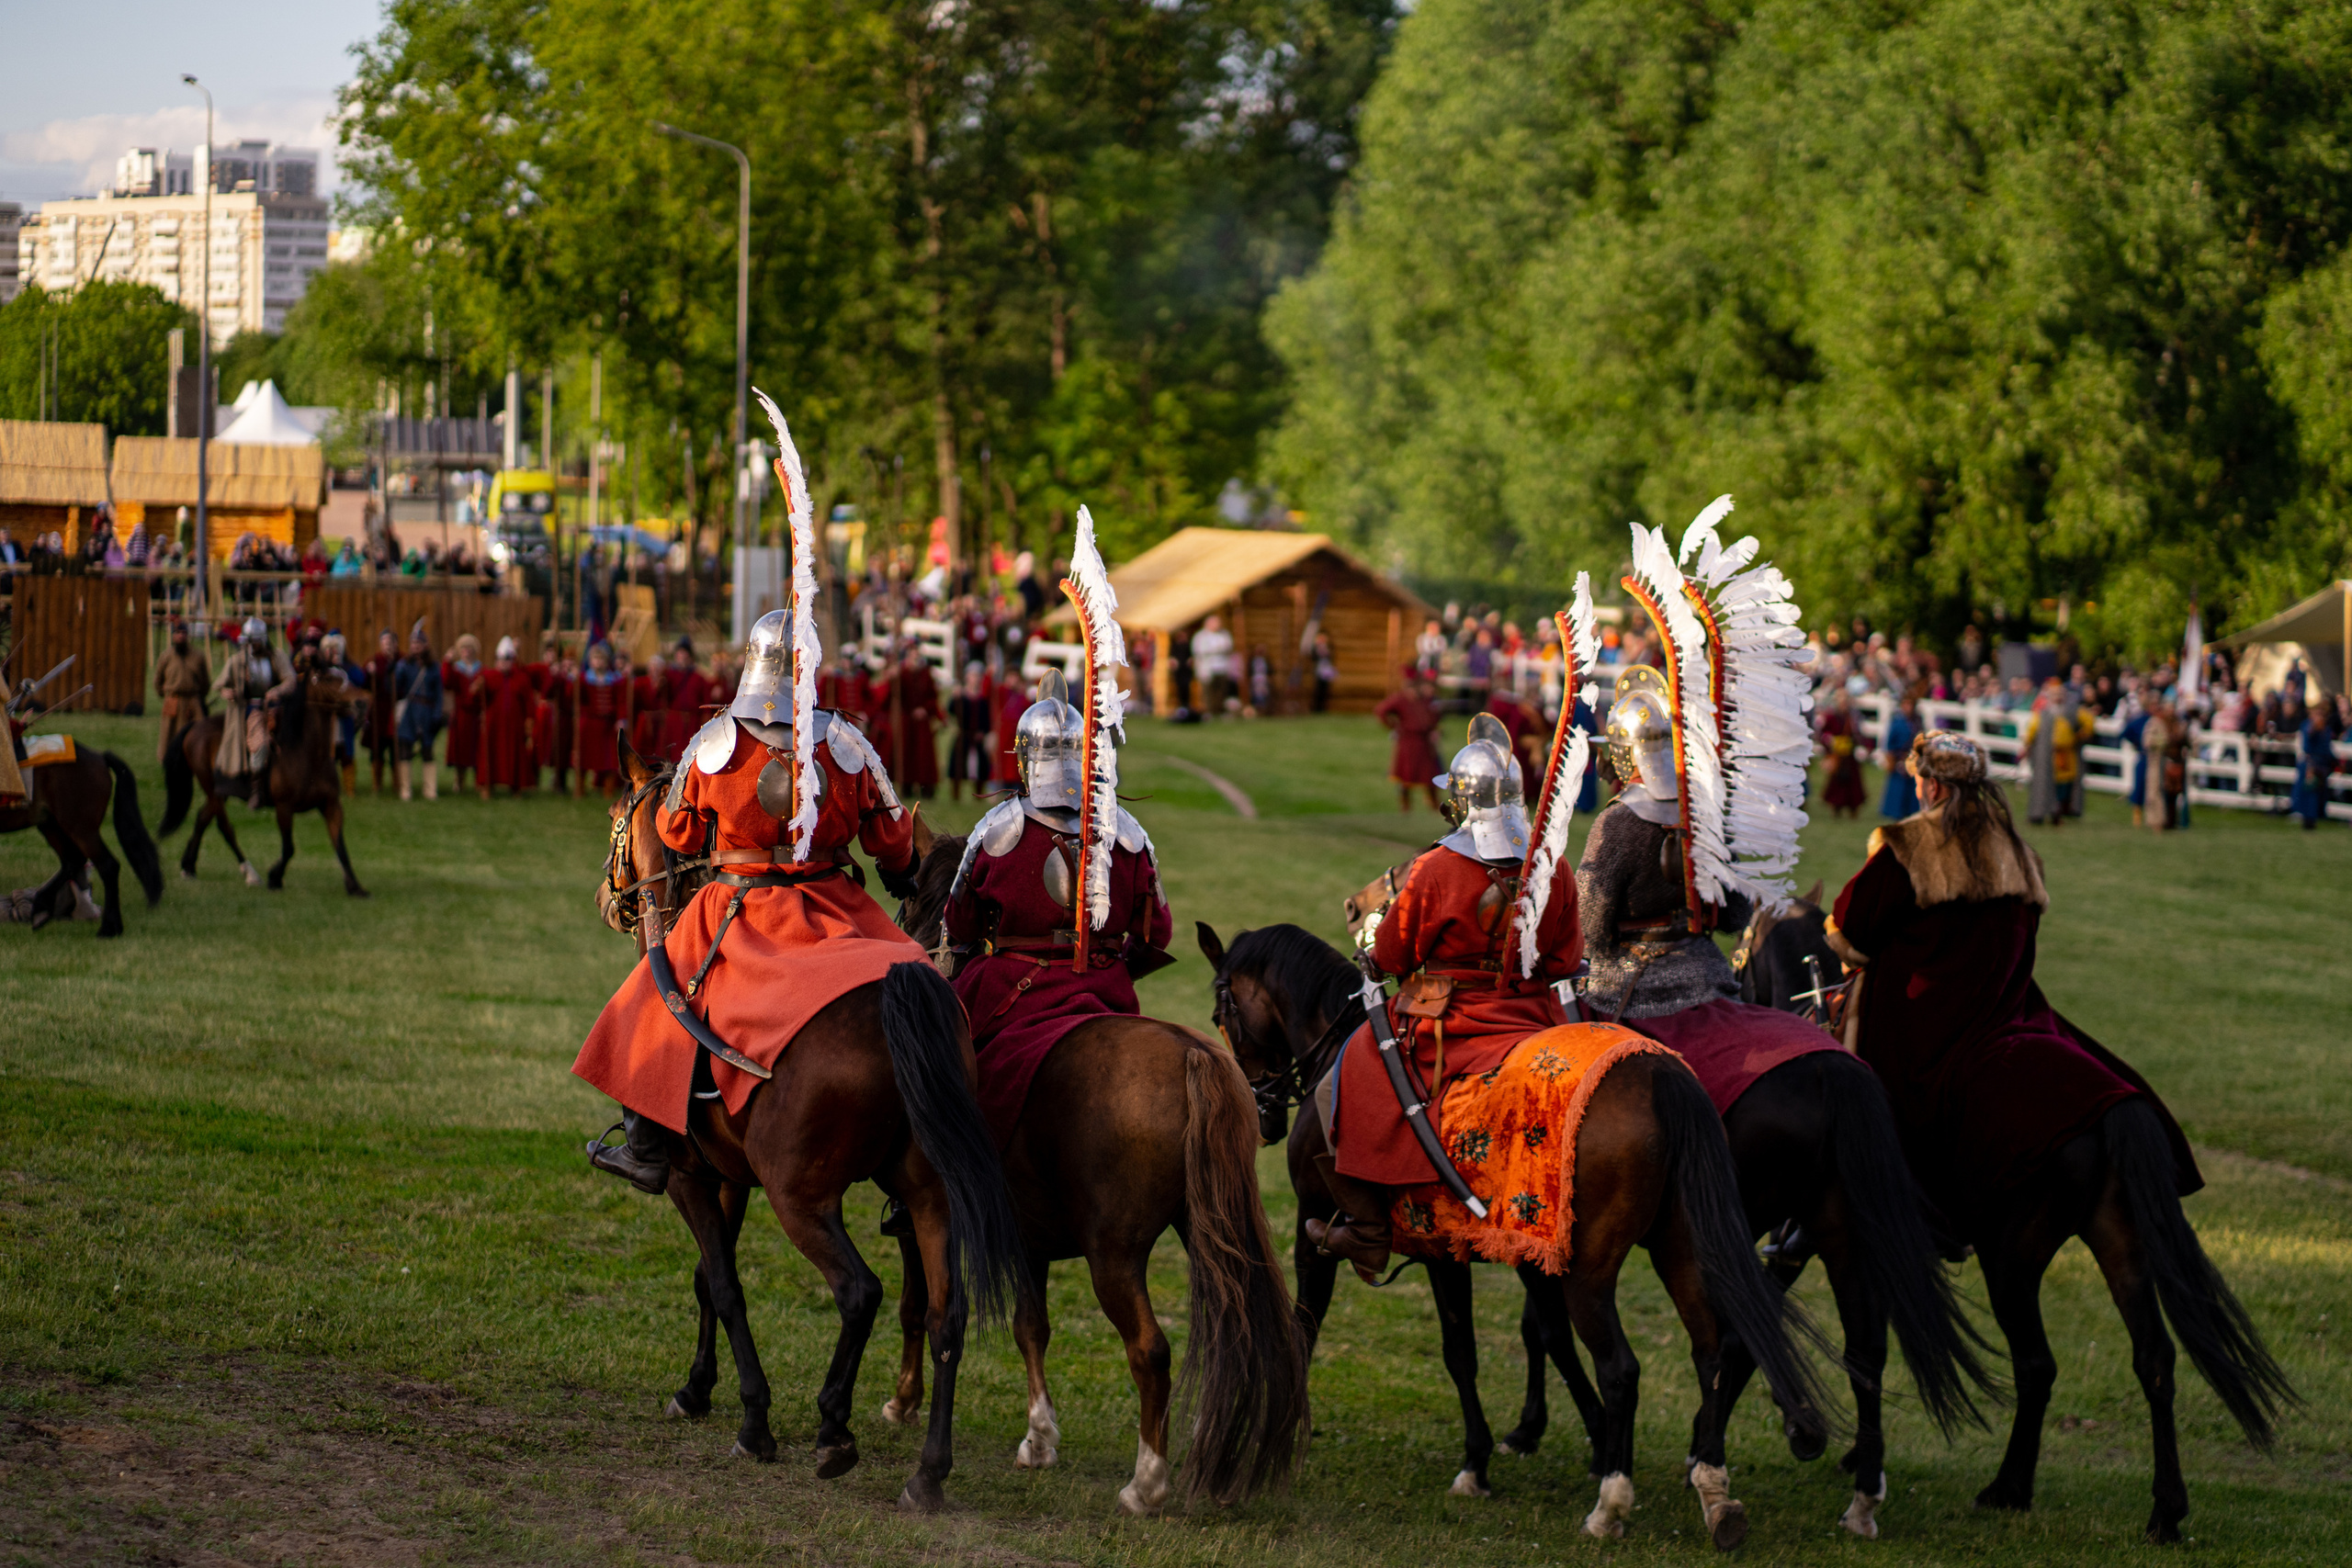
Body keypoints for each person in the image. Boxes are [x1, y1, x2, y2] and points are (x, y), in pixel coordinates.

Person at [576, 609, 925, 1193]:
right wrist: (899, 871)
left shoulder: (715, 741)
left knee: (650, 994)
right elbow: (893, 838)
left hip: (739, 911)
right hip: (836, 910)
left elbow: (677, 834)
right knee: (925, 979)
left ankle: (643, 1142)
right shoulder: (845, 741)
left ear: (750, 663)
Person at [1825, 731, 2197, 1238]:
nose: (1917, 791)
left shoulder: (1905, 847)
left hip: (1925, 1022)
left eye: (1919, 782)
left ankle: (1863, 1204)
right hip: (2007, 1011)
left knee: (1851, 1089)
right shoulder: (2020, 852)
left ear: (1934, 788)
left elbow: (1849, 931)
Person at [1304, 716, 1581, 1278]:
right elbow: (1565, 962)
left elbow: (1390, 959)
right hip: (1532, 1017)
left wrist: (1378, 958)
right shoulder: (1553, 864)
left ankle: (1369, 1229)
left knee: (1348, 1071)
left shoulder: (1434, 869)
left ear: (1459, 804)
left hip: (1449, 1020)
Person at [939, 671, 1174, 1147]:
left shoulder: (997, 829)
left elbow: (958, 925)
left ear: (1025, 757)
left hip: (1011, 994)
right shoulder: (1127, 833)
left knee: (942, 1066)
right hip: (1107, 989)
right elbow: (1158, 934)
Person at [209, 617, 291, 807]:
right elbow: (220, 684)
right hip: (254, 710)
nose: (252, 646)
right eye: (249, 642)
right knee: (260, 744)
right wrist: (226, 692)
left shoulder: (276, 656)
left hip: (277, 708)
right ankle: (256, 790)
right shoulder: (238, 660)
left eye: (255, 642)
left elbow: (290, 679)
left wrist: (278, 690)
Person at [874, 644, 941, 798]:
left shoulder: (925, 674)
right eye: (912, 655)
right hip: (905, 720)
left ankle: (926, 788)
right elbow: (890, 697)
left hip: (921, 720)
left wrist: (925, 709)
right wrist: (892, 677)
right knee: (905, 752)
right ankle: (906, 786)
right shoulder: (901, 673)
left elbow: (932, 697)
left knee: (923, 755)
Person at [1374, 670, 1443, 812]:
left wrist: (1434, 729)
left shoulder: (1426, 699)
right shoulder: (1400, 699)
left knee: (1430, 774)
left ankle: (1434, 803)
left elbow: (1433, 716)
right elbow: (1381, 710)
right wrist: (1394, 726)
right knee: (1406, 775)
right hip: (1408, 741)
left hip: (1424, 742)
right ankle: (1405, 806)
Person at [478, 636, 538, 797]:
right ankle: (487, 786)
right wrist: (479, 687)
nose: (504, 663)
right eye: (501, 659)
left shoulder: (521, 678)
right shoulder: (488, 676)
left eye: (508, 660)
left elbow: (529, 703)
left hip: (514, 724)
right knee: (490, 753)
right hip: (494, 724)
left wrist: (529, 721)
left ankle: (515, 786)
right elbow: (478, 699)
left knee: (515, 754)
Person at [393, 625, 446, 800]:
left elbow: (439, 693)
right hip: (409, 711)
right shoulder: (404, 665)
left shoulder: (433, 667)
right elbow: (397, 687)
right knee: (405, 749)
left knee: (427, 749)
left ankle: (430, 790)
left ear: (425, 645)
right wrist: (396, 670)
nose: (415, 647)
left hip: (427, 711)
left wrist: (438, 713)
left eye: (418, 643)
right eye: (413, 643)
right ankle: (405, 789)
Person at [153, 619, 212, 764]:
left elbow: (205, 682)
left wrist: (198, 698)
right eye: (178, 633)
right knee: (169, 733)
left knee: (196, 732)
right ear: (173, 636)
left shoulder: (198, 656)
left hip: (192, 701)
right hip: (173, 700)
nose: (181, 636)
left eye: (184, 633)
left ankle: (196, 760)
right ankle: (168, 760)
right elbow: (158, 680)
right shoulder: (166, 656)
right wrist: (165, 695)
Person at [576, 640, 628, 791]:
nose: (598, 662)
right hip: (589, 723)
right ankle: (580, 789)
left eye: (601, 659)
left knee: (608, 760)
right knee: (584, 758)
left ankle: (608, 789)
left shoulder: (615, 681)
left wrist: (621, 718)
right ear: (590, 661)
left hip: (607, 725)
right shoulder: (584, 680)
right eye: (595, 659)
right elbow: (578, 700)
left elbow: (621, 701)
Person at [443, 634, 486, 792]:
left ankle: (478, 780)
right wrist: (447, 661)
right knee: (460, 749)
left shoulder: (481, 670)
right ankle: (459, 780)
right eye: (463, 648)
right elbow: (447, 682)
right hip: (461, 715)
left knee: (477, 749)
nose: (466, 651)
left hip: (475, 716)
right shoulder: (456, 669)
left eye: (469, 648)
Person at [359, 629, 401, 794]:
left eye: (390, 642)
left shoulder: (401, 660)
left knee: (395, 748)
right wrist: (368, 672)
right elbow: (365, 684)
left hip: (395, 709)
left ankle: (397, 783)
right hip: (378, 710)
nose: (387, 646)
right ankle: (377, 783)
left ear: (396, 644)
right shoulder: (375, 660)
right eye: (384, 642)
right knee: (377, 748)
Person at [946, 661, 994, 801]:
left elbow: (987, 718)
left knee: (981, 767)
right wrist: (955, 697)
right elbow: (951, 711)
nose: (975, 678)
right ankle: (956, 796)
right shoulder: (961, 696)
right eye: (973, 675)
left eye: (978, 676)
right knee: (957, 765)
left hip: (978, 737)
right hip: (964, 735)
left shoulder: (983, 699)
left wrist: (984, 732)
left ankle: (978, 795)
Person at [1817, 689, 1866, 818]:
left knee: (1853, 784)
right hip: (1837, 755)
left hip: (1850, 754)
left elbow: (1858, 734)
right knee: (1836, 784)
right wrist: (1830, 740)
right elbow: (1822, 733)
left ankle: (1853, 809)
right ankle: (1836, 808)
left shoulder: (1853, 717)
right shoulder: (1831, 717)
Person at [2291, 701, 2335, 829]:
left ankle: (2315, 819)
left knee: (2319, 796)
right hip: (2311, 765)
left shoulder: (2326, 729)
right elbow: (2308, 741)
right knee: (2309, 794)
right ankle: (2307, 821)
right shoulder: (2308, 726)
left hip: (2322, 764)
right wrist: (2315, 728)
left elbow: (2327, 748)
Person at [1880, 692, 1920, 820]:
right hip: (1899, 759)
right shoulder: (1897, 722)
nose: (1908, 707)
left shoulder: (1917, 722)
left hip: (1913, 759)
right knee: (1898, 788)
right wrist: (1893, 758)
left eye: (1911, 704)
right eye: (1906, 704)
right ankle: (1896, 813)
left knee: (1912, 789)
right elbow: (1890, 743)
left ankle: (1911, 812)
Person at [1193, 615, 1236, 715]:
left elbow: (1228, 647)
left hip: (1222, 667)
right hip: (1207, 668)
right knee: (1208, 692)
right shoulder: (1201, 636)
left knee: (1221, 691)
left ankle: (1219, 711)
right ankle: (1209, 711)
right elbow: (1199, 651)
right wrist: (1216, 649)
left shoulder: (1224, 635)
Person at [1311, 633, 1337, 714]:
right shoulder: (1315, 648)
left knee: (1325, 689)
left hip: (1326, 670)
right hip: (1319, 671)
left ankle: (1323, 708)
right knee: (1318, 689)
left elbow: (1331, 658)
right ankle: (1316, 708)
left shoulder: (1328, 648)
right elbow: (1313, 657)